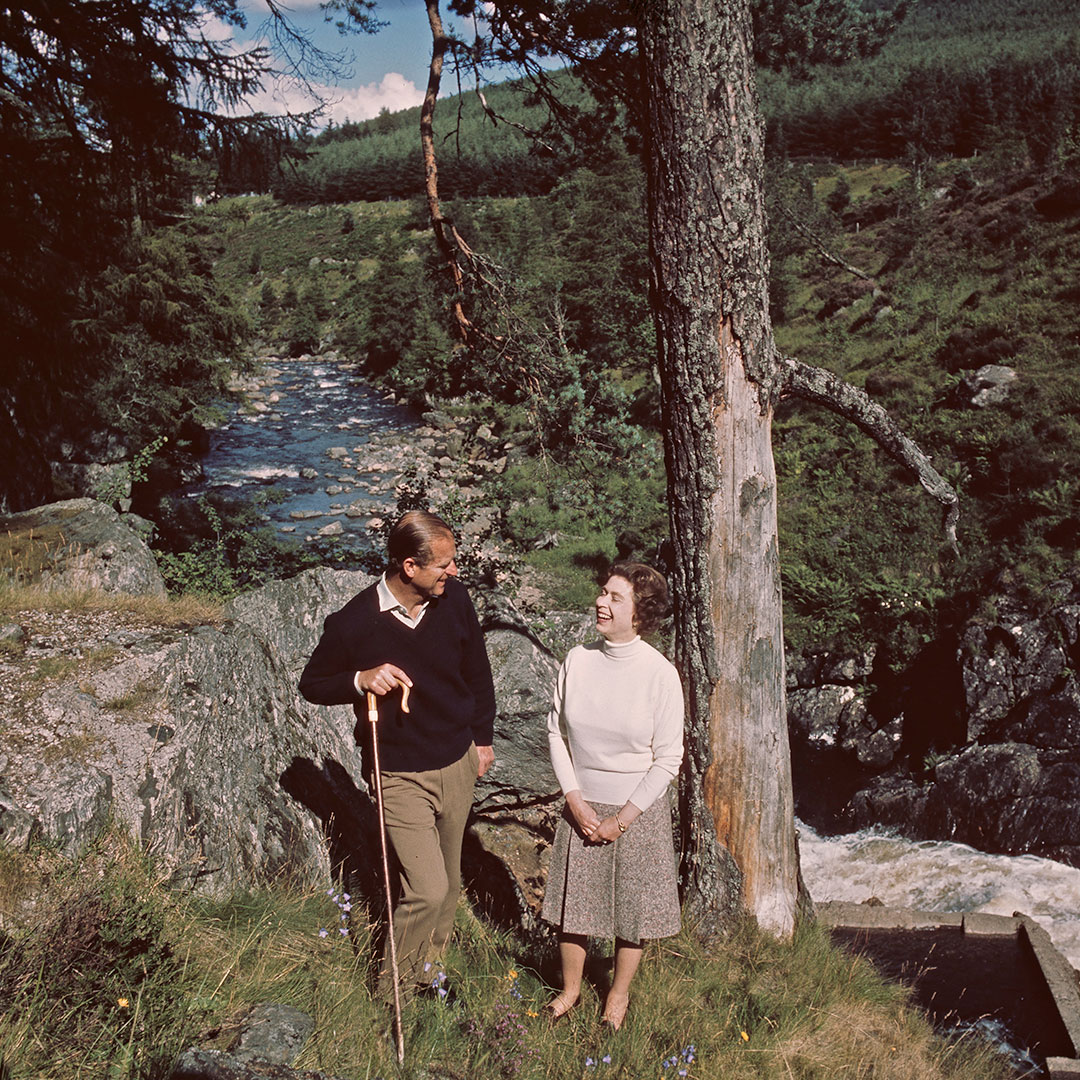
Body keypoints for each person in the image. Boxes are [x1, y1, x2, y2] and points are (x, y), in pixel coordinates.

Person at [299, 510, 496, 995]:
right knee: (425, 889)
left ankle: (431, 974)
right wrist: (359, 680)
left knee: (448, 885)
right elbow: (312, 684)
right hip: (397, 772)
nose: (453, 572)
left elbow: (478, 673)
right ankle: (393, 992)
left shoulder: (455, 601)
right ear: (410, 567)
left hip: (456, 760)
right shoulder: (353, 622)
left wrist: (483, 739)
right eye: (444, 565)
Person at [541, 561, 684, 1030]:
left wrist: (621, 819)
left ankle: (617, 997)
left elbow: (667, 759)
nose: (601, 602)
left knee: (632, 913)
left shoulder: (660, 675)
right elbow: (556, 732)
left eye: (614, 597)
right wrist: (575, 800)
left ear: (640, 614)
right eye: (602, 592)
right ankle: (570, 991)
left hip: (635, 812)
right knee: (574, 910)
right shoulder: (577, 661)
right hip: (582, 805)